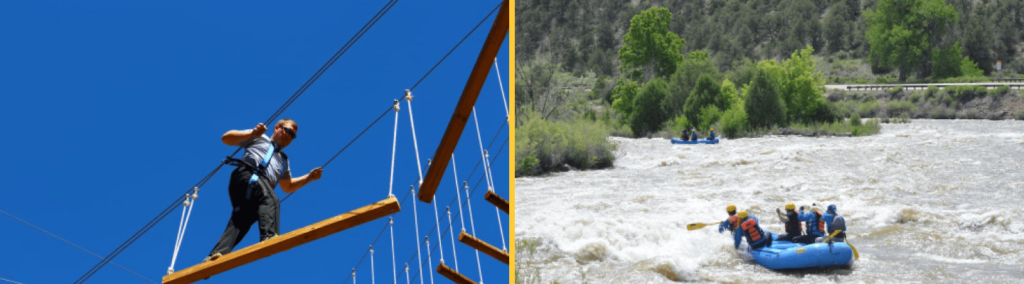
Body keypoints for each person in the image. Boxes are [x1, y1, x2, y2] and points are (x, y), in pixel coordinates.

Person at [205, 119, 324, 262]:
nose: (289, 136)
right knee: (271, 199)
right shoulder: (260, 138)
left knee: (241, 221)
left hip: (257, 188)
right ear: (277, 128)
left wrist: (309, 177)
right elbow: (226, 138)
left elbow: (288, 186)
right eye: (287, 131)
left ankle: (216, 255)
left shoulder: (284, 161)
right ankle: (269, 236)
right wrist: (253, 133)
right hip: (247, 175)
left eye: (293, 136)